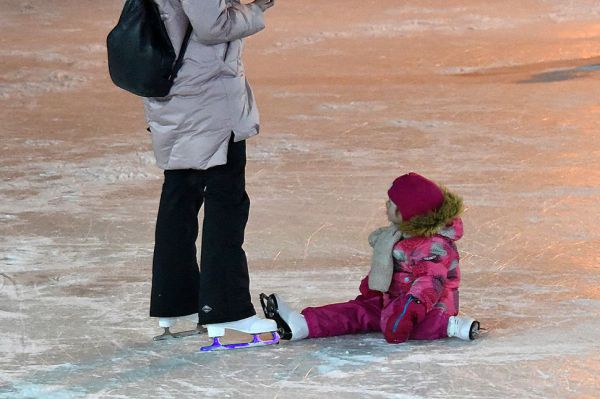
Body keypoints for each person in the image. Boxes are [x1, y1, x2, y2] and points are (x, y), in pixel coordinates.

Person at [145, 0, 277, 346]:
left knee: (180, 195)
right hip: (207, 96)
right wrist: (256, 9)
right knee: (226, 201)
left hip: (178, 91)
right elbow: (212, 26)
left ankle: (176, 303)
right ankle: (227, 310)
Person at [261, 172, 481, 343]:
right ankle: (301, 324)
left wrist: (408, 309)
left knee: (420, 327)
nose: (387, 205)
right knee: (355, 312)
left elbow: (429, 284)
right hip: (390, 300)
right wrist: (376, 292)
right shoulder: (397, 234)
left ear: (411, 213)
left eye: (393, 203)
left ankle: (453, 326)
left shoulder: (435, 247)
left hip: (428, 307)